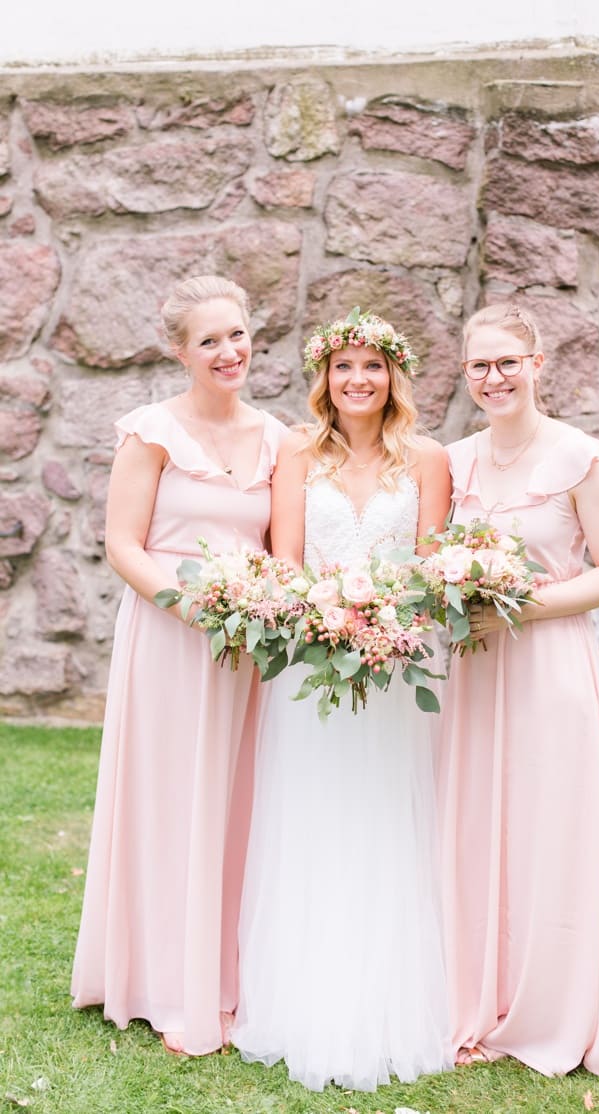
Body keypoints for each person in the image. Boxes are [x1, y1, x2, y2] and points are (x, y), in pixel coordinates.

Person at [436, 303, 599, 1077]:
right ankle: (475, 995)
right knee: (474, 823)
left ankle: (553, 1005)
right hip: (474, 669)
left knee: (550, 828)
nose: (494, 377)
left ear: (539, 365)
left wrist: (515, 608)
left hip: (548, 668)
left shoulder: (583, 459)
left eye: (509, 361)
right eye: (480, 365)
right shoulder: (454, 462)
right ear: (465, 373)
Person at [230, 310, 453, 1091]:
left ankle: (389, 996)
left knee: (386, 817)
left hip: (397, 665)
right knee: (312, 815)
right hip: (311, 663)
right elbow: (286, 561)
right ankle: (303, 999)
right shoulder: (296, 454)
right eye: (344, 366)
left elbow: (430, 568)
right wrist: (331, 617)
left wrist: (384, 622)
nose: (358, 380)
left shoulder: (427, 459)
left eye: (373, 365)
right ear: (323, 378)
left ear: (396, 376)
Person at [72, 275, 288, 1056]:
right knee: (169, 800)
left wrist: (258, 607)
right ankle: (166, 982)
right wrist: (196, 608)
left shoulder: (278, 439)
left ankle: (230, 978)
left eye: (236, 335)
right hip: (169, 639)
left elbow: (281, 550)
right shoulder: (150, 432)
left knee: (238, 803)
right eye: (209, 341)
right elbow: (122, 544)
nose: (228, 352)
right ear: (179, 351)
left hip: (246, 651)